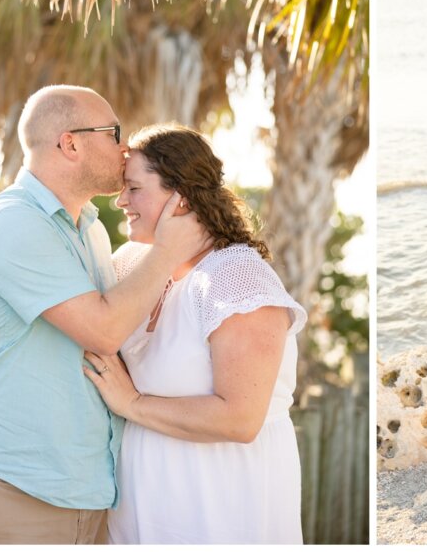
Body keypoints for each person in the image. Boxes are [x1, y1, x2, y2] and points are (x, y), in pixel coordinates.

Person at [0, 85, 209, 544]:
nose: (124, 146)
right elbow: (102, 330)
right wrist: (168, 251)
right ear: (70, 143)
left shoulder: (93, 231)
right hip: (14, 490)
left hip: (88, 496)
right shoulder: (13, 222)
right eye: (112, 132)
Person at [82, 123, 307, 543]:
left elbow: (241, 418)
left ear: (179, 197)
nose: (121, 200)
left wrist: (131, 402)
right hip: (142, 497)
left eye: (133, 188)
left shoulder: (238, 278)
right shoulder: (135, 264)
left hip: (220, 495)